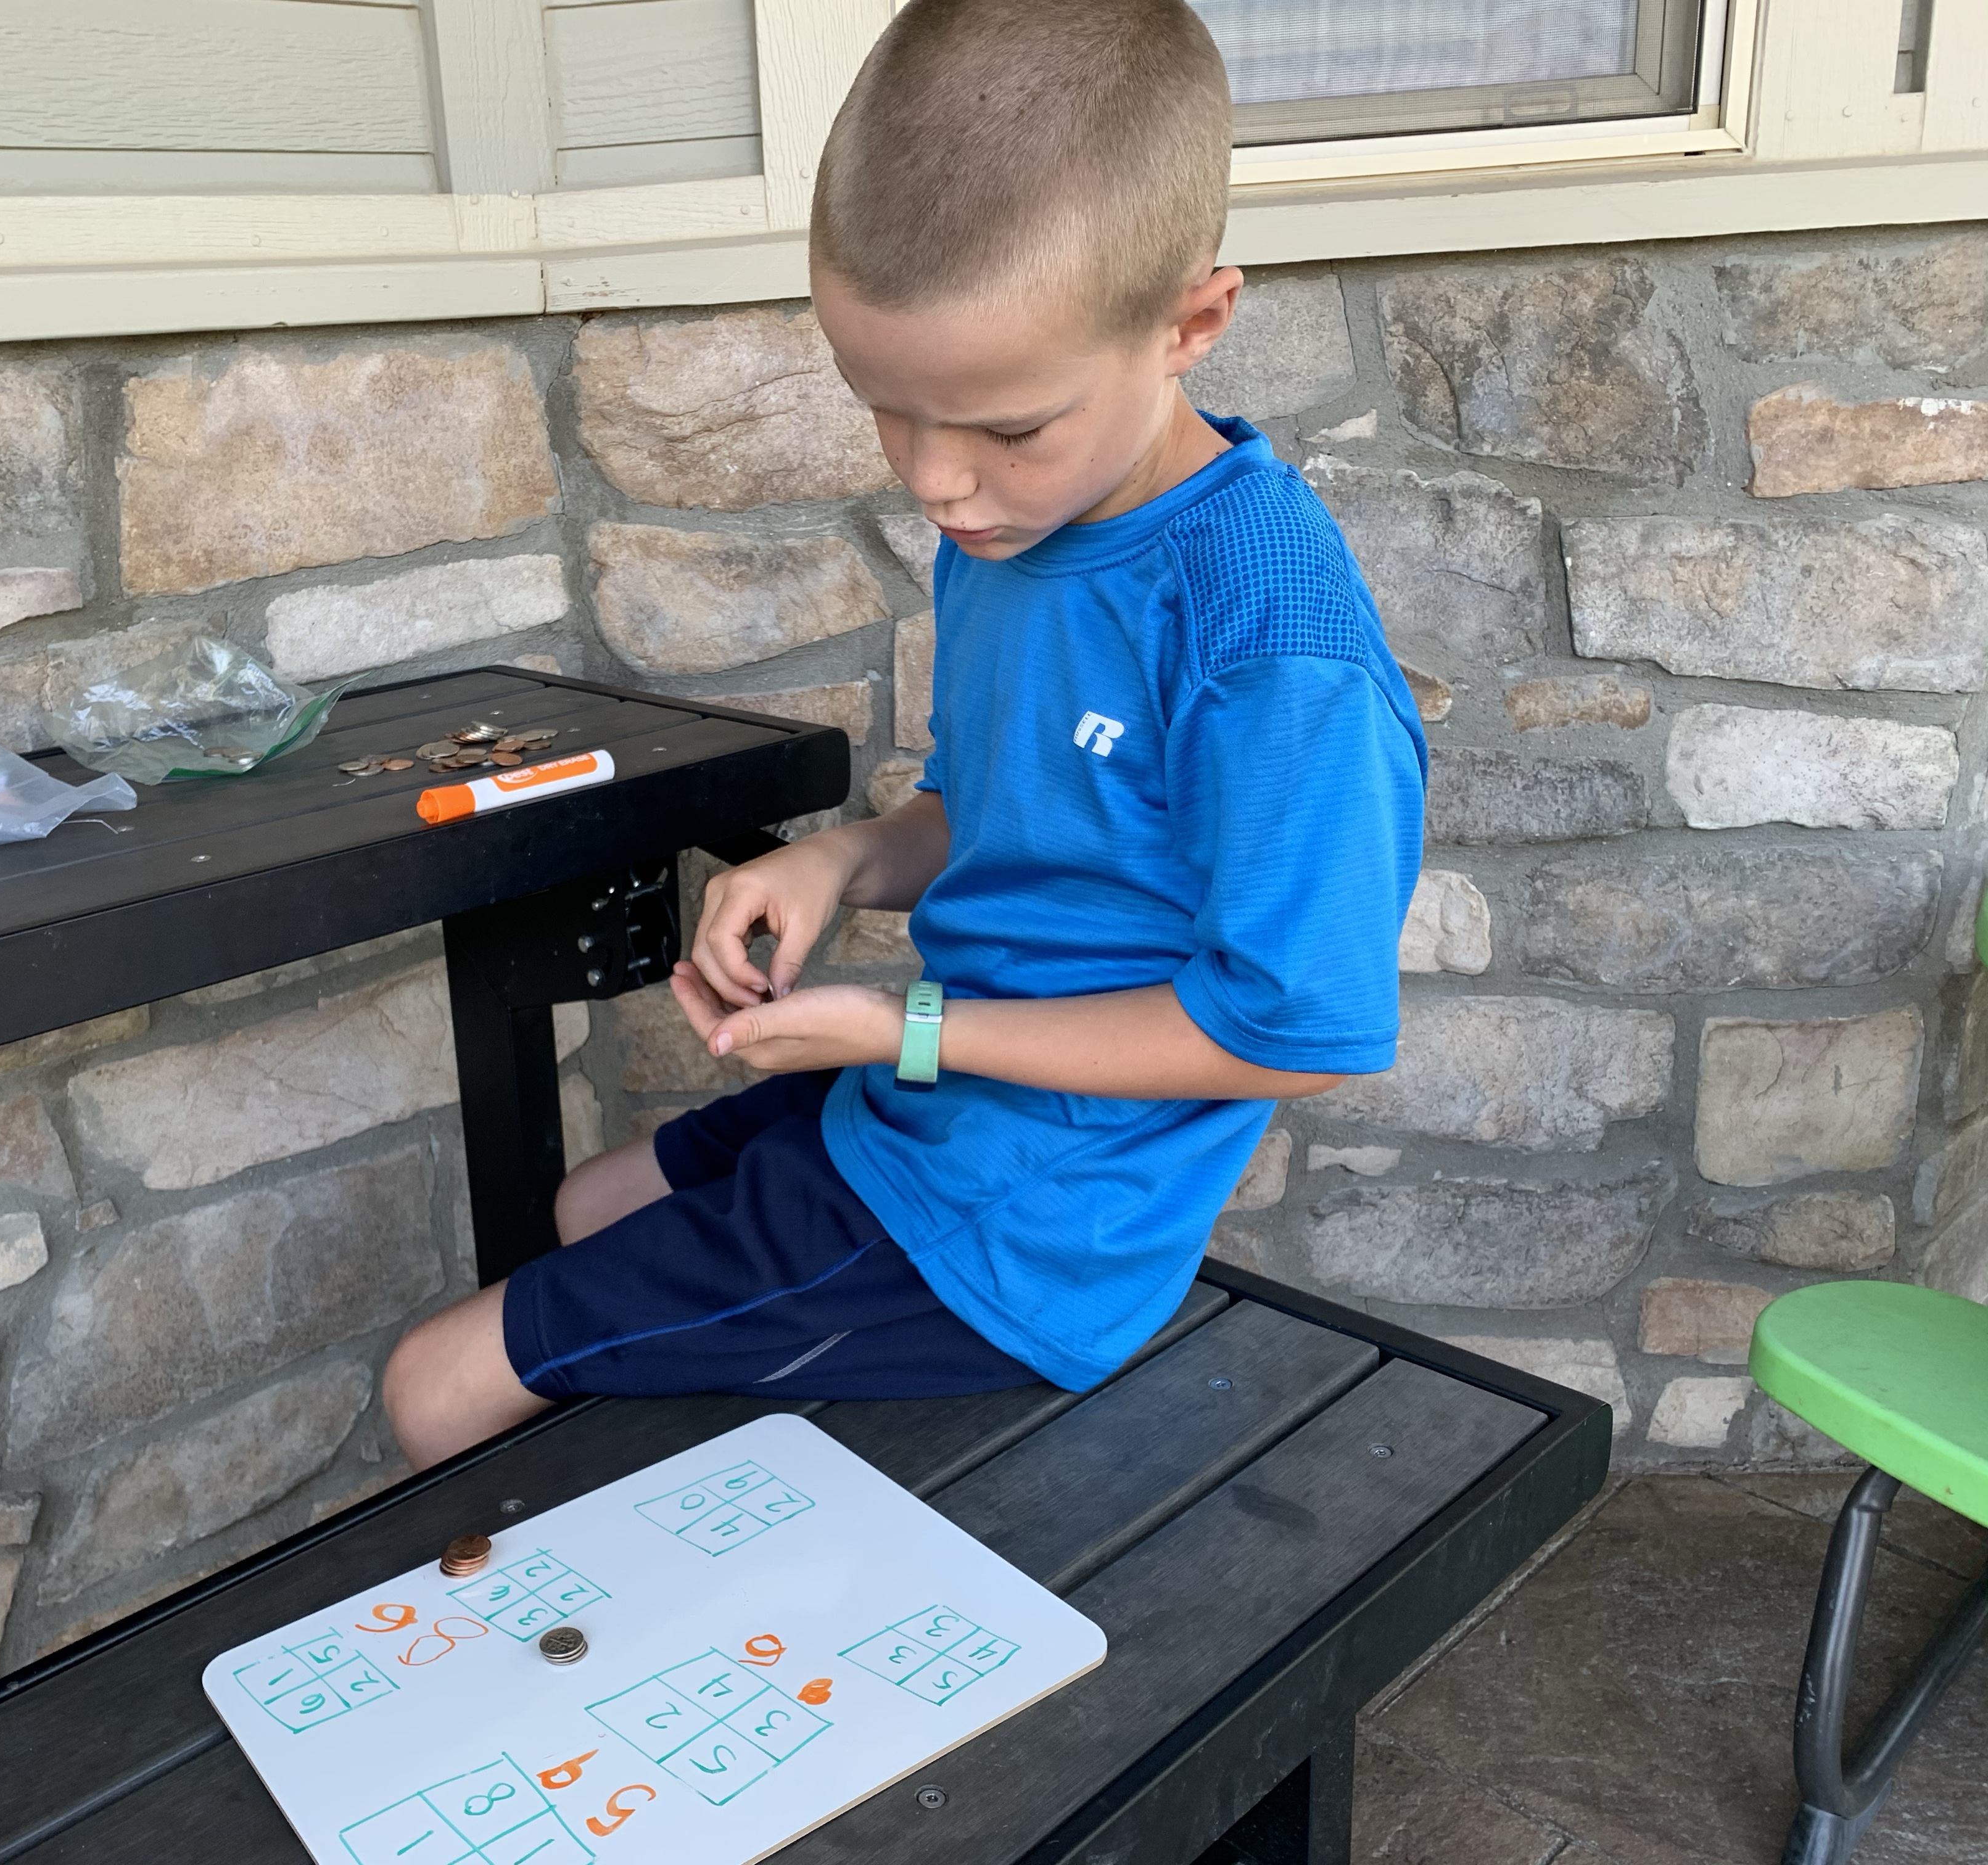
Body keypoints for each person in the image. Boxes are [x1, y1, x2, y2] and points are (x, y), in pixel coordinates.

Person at [383, 0, 1427, 1470]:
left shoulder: (1270, 646)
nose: (938, 484)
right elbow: (999, 805)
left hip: (1031, 1227)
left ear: (1193, 323)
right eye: (887, 409)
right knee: (586, 1208)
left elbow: (1290, 1032)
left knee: (436, 1386)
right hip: (928, 1105)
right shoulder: (1016, 526)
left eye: (1009, 427)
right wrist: (842, 865)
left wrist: (905, 1026)